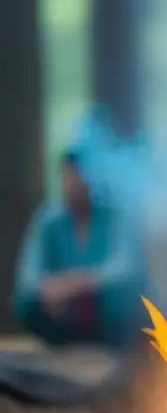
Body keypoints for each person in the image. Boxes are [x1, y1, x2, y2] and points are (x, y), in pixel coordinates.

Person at [11, 148, 147, 349]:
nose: (74, 183)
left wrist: (77, 284)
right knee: (26, 302)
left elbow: (127, 270)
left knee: (124, 298)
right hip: (60, 313)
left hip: (103, 317)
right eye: (68, 175)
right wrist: (52, 291)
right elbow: (28, 277)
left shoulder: (116, 217)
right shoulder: (49, 220)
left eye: (80, 175)